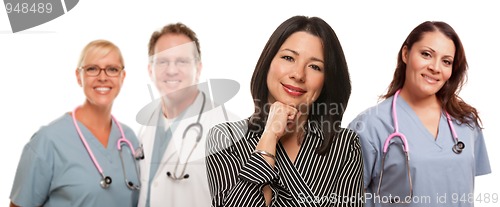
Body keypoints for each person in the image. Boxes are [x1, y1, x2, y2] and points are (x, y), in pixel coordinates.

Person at [206, 15, 364, 207]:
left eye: (315, 66)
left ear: (327, 80)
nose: (298, 74)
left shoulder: (345, 146)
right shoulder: (225, 138)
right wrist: (270, 136)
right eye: (288, 58)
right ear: (268, 62)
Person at [348, 21, 491, 207]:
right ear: (406, 54)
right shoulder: (370, 126)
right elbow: (348, 197)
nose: (435, 67)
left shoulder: (466, 122)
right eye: (426, 54)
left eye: (446, 61)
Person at [9, 40, 141, 206]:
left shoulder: (130, 140)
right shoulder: (48, 140)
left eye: (112, 69)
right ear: (79, 77)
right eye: (92, 69)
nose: (102, 77)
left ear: (122, 77)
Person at [137, 22, 238, 207]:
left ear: (198, 69)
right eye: (162, 61)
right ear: (150, 70)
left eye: (182, 61)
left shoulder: (228, 129)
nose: (172, 70)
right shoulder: (146, 127)